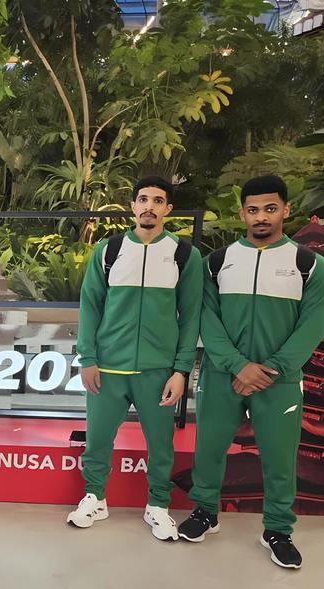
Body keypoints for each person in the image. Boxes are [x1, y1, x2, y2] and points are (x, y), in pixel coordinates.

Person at [177, 175, 324, 569]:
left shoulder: (311, 265)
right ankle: (204, 513)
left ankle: (277, 529)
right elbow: (206, 319)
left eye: (270, 208)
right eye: (253, 209)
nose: (261, 217)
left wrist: (273, 368)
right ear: (242, 213)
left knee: (279, 458)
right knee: (209, 449)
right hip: (221, 375)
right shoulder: (216, 263)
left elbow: (313, 324)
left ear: (286, 210)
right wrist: (238, 365)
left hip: (279, 381)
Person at [67, 176, 203, 540]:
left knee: (161, 444)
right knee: (98, 439)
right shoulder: (109, 251)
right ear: (132, 206)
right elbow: (90, 306)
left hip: (158, 371)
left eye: (157, 201)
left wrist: (181, 370)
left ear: (168, 209)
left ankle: (157, 505)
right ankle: (94, 497)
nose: (149, 207)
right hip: (107, 367)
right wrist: (87, 358)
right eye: (143, 199)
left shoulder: (184, 255)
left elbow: (191, 316)